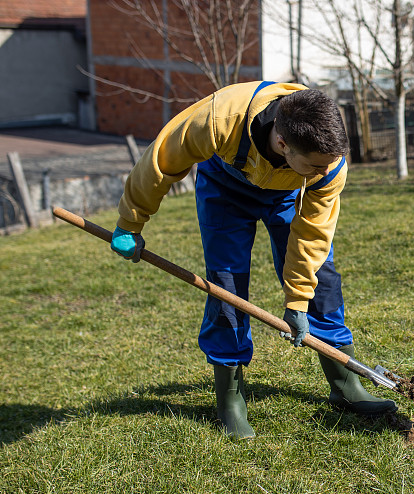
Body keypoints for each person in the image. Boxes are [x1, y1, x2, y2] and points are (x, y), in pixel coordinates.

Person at [110, 81, 396, 438]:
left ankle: (345, 384)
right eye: (316, 165)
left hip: (290, 192)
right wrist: (130, 223)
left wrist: (297, 300)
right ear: (282, 143)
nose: (326, 171)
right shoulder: (218, 119)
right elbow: (161, 161)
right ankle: (230, 400)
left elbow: (313, 237)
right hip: (225, 187)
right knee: (226, 288)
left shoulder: (328, 165)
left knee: (322, 279)